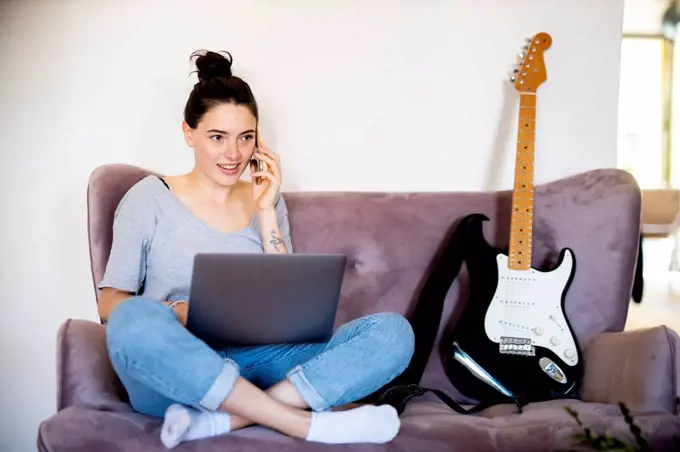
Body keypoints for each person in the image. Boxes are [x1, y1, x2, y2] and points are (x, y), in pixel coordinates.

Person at [98, 49, 415, 449]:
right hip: (182, 367)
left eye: (246, 138)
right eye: (217, 137)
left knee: (392, 333)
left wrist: (265, 209)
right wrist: (175, 312)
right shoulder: (148, 198)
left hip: (259, 361)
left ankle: (223, 420)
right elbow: (109, 303)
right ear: (188, 133)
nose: (234, 154)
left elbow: (288, 304)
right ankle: (302, 423)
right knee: (133, 320)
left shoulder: (267, 199)